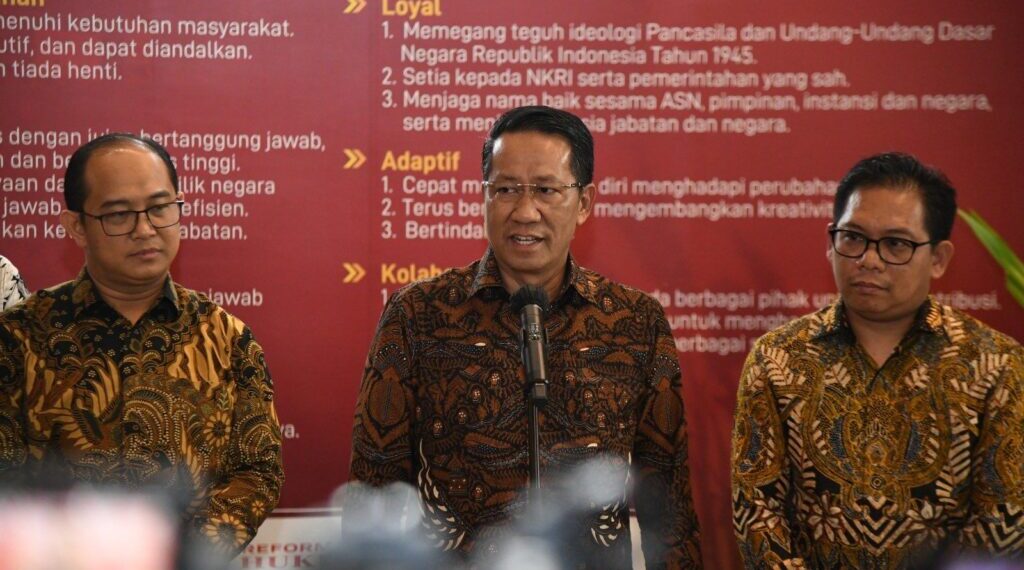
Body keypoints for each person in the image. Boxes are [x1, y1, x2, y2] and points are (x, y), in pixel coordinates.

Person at [350, 106, 702, 569]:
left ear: (585, 202)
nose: (524, 211)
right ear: (484, 196)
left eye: (545, 190)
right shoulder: (417, 315)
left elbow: (670, 516)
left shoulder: (636, 323)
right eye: (506, 189)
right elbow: (374, 494)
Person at [731, 152, 1023, 568]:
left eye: (896, 244)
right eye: (852, 237)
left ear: (938, 259)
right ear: (830, 243)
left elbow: (1004, 518)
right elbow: (758, 509)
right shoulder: (778, 358)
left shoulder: (995, 365)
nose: (868, 259)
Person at [0, 133, 284, 558]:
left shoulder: (226, 338)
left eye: (160, 208)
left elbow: (257, 471)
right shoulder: (18, 337)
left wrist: (179, 555)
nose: (145, 229)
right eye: (119, 214)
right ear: (76, 225)